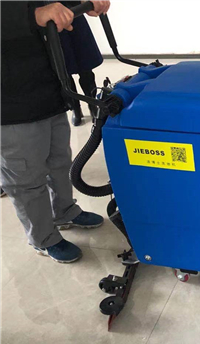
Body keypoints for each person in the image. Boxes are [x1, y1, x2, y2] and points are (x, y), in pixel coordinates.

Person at [1, 1, 110, 263]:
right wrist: (31, 14)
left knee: (59, 160)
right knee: (26, 178)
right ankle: (43, 238)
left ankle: (64, 211)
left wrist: (77, 3)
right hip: (10, 101)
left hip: (47, 82)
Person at [59, 1, 104, 126]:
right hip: (54, 20)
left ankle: (92, 104)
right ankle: (75, 108)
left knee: (85, 67)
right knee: (64, 71)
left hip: (75, 13)